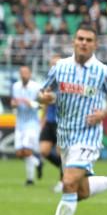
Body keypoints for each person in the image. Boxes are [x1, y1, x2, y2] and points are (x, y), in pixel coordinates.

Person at [30, 24, 107, 215]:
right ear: (74, 41)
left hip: (88, 136)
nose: (84, 43)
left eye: (88, 40)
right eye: (80, 39)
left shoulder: (102, 71)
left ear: (95, 44)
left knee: (68, 182)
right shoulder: (60, 67)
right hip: (65, 136)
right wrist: (44, 98)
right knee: (80, 191)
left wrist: (104, 113)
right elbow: (42, 93)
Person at [11, 65, 43, 185]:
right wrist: (14, 104)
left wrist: (31, 104)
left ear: (30, 74)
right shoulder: (15, 86)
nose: (24, 75)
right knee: (19, 153)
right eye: (22, 73)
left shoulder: (36, 87)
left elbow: (42, 105)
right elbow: (13, 101)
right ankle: (38, 163)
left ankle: (30, 179)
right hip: (20, 122)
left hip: (32, 123)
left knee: (27, 150)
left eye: (26, 73)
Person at [38, 54, 63, 192]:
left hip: (62, 122)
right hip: (49, 121)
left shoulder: (66, 82)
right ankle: (68, 169)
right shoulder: (49, 83)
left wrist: (53, 97)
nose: (54, 67)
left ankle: (62, 182)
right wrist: (42, 119)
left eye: (57, 64)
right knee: (44, 150)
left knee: (61, 153)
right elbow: (44, 102)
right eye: (52, 64)